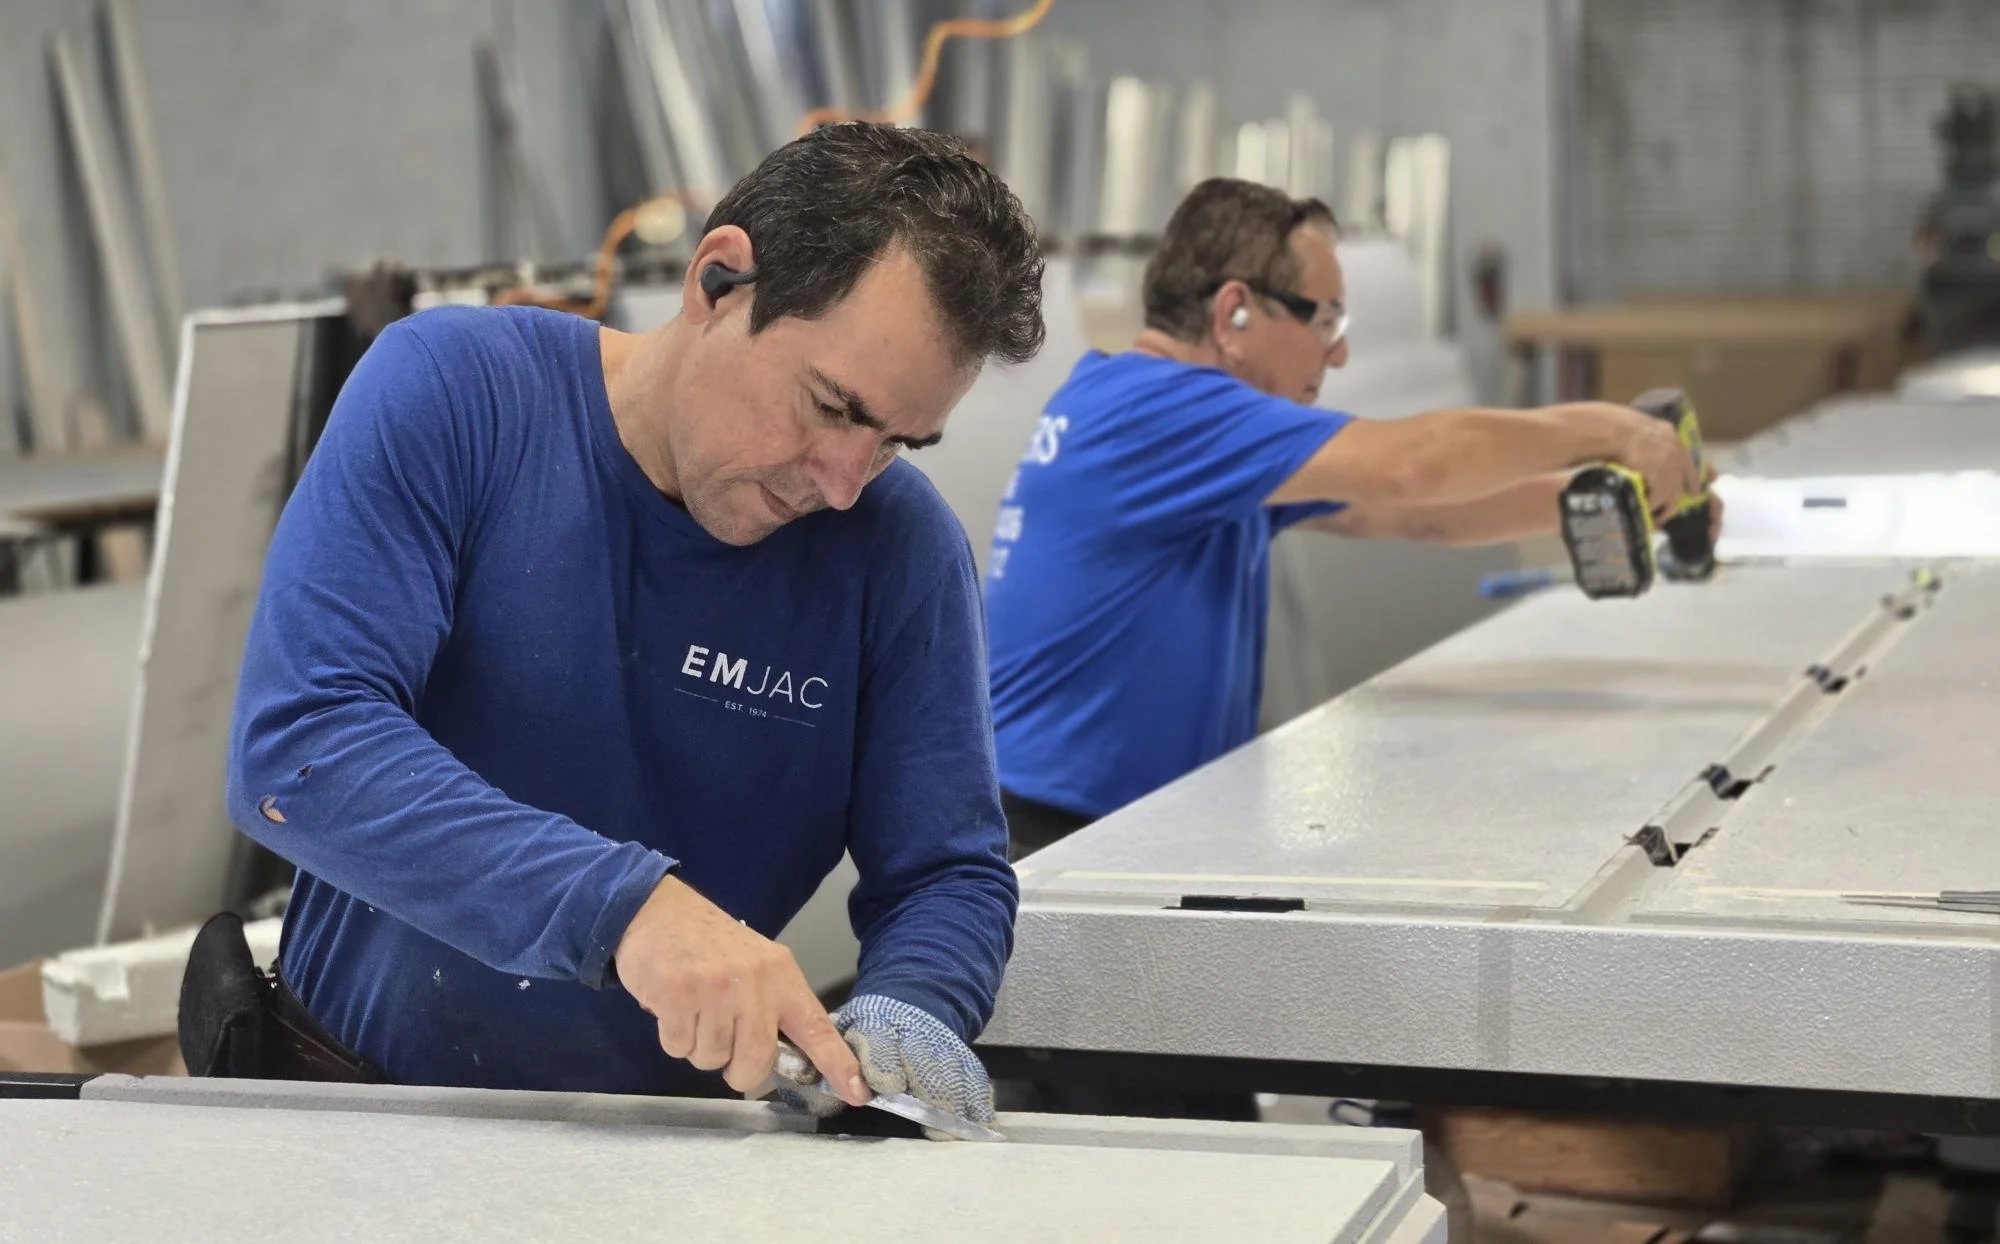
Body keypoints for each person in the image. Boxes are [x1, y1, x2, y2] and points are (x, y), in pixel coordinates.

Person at [221, 124, 1043, 1130]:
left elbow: (944, 874)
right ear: (717, 281)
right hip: (359, 1114)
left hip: (673, 1157)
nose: (840, 483)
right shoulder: (457, 397)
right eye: (829, 407)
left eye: (893, 443)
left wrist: (913, 1008)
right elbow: (301, 750)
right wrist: (627, 910)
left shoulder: (898, 555)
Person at [986, 177, 1711, 859]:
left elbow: (1411, 512)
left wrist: (1624, 501)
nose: (1340, 349)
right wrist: (1609, 429)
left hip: (1105, 827)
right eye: (1324, 317)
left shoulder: (1170, 420)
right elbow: (1415, 464)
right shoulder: (1158, 409)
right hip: (1054, 841)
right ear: (1233, 313)